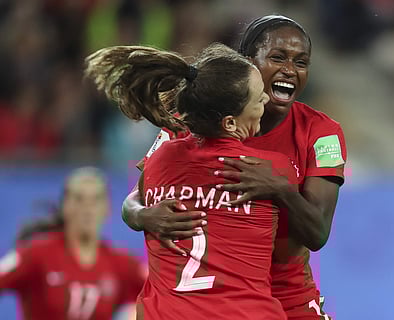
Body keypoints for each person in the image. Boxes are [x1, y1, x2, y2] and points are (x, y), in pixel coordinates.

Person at [123, 15, 347, 320]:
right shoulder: (190, 120)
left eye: (301, 62)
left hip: (288, 296)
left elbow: (318, 233)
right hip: (215, 300)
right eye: (278, 57)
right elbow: (133, 202)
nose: (290, 70)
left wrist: (279, 188)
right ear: (248, 63)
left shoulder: (321, 132)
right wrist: (145, 215)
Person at [85, 43, 297, 319]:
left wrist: (142, 215)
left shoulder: (161, 158)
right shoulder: (274, 168)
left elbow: (137, 195)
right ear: (230, 123)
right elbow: (298, 246)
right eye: (258, 99)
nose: (267, 100)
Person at [0, 167, 145, 320]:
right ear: (65, 206)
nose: (87, 209)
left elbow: (166, 292)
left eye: (96, 200)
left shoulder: (121, 263)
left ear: (107, 208)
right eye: (79, 199)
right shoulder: (36, 254)